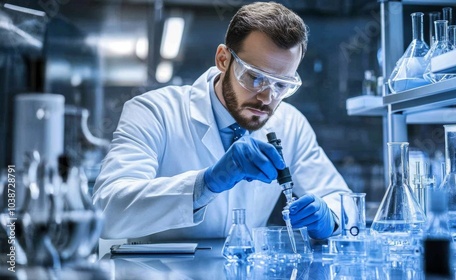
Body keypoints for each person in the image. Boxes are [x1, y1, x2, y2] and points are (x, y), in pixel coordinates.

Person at [93, 1, 352, 242]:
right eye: (255, 77)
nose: (267, 97)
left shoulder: (291, 124)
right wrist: (207, 183)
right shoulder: (154, 111)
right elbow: (107, 211)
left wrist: (329, 217)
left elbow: (342, 200)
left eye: (282, 84)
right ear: (223, 60)